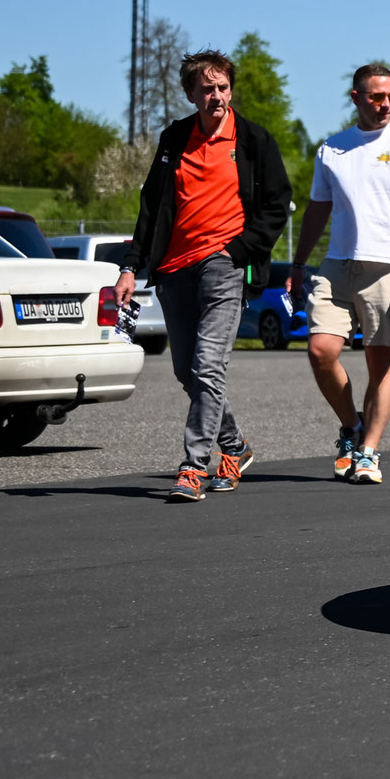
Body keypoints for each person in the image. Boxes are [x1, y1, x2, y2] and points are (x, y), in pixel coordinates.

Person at [114, 50, 292, 501]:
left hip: (224, 263)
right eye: (207, 89)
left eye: (223, 87)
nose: (217, 96)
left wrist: (238, 251)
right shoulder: (174, 139)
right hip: (174, 268)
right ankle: (234, 445)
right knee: (185, 369)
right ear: (191, 94)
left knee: (208, 365)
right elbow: (152, 206)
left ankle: (193, 467)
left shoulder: (253, 139)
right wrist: (130, 267)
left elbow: (276, 204)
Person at [287, 63, 390, 484]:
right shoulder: (332, 149)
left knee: (381, 367)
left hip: (389, 267)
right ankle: (352, 428)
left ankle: (369, 453)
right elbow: (318, 210)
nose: (386, 105)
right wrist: (299, 263)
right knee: (321, 351)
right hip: (338, 264)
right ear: (356, 97)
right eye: (377, 97)